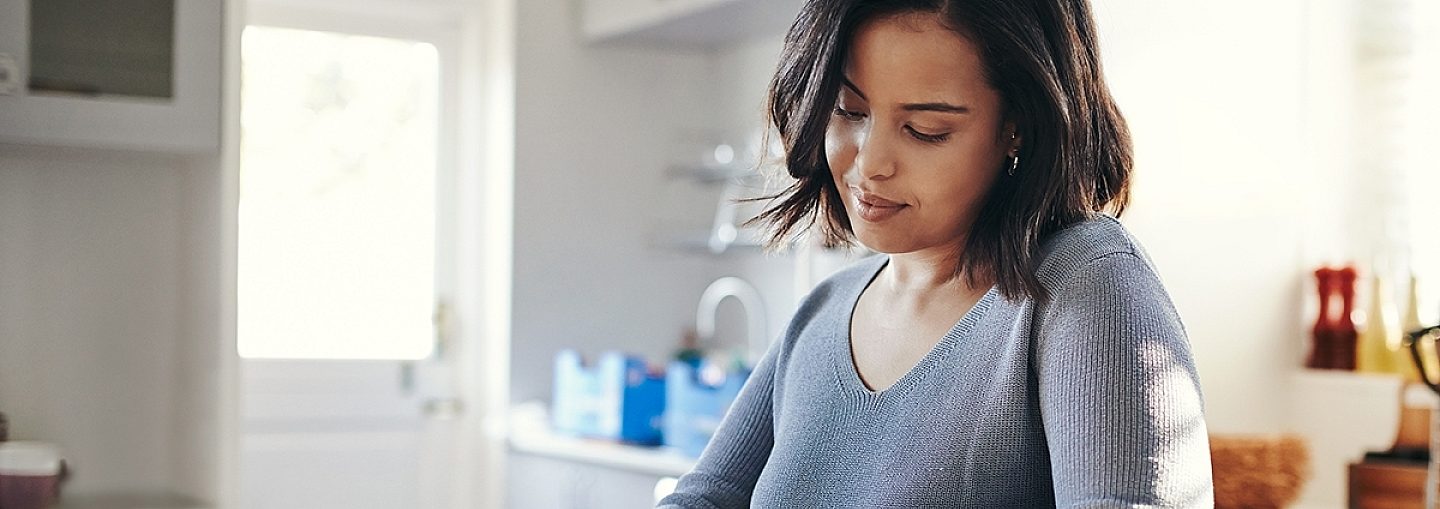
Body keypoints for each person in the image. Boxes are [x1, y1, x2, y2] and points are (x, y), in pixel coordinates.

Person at [655, 0, 1213, 507]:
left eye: (924, 130)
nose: (871, 162)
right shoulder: (826, 309)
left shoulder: (1087, 289)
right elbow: (703, 499)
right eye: (849, 111)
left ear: (1017, 126)